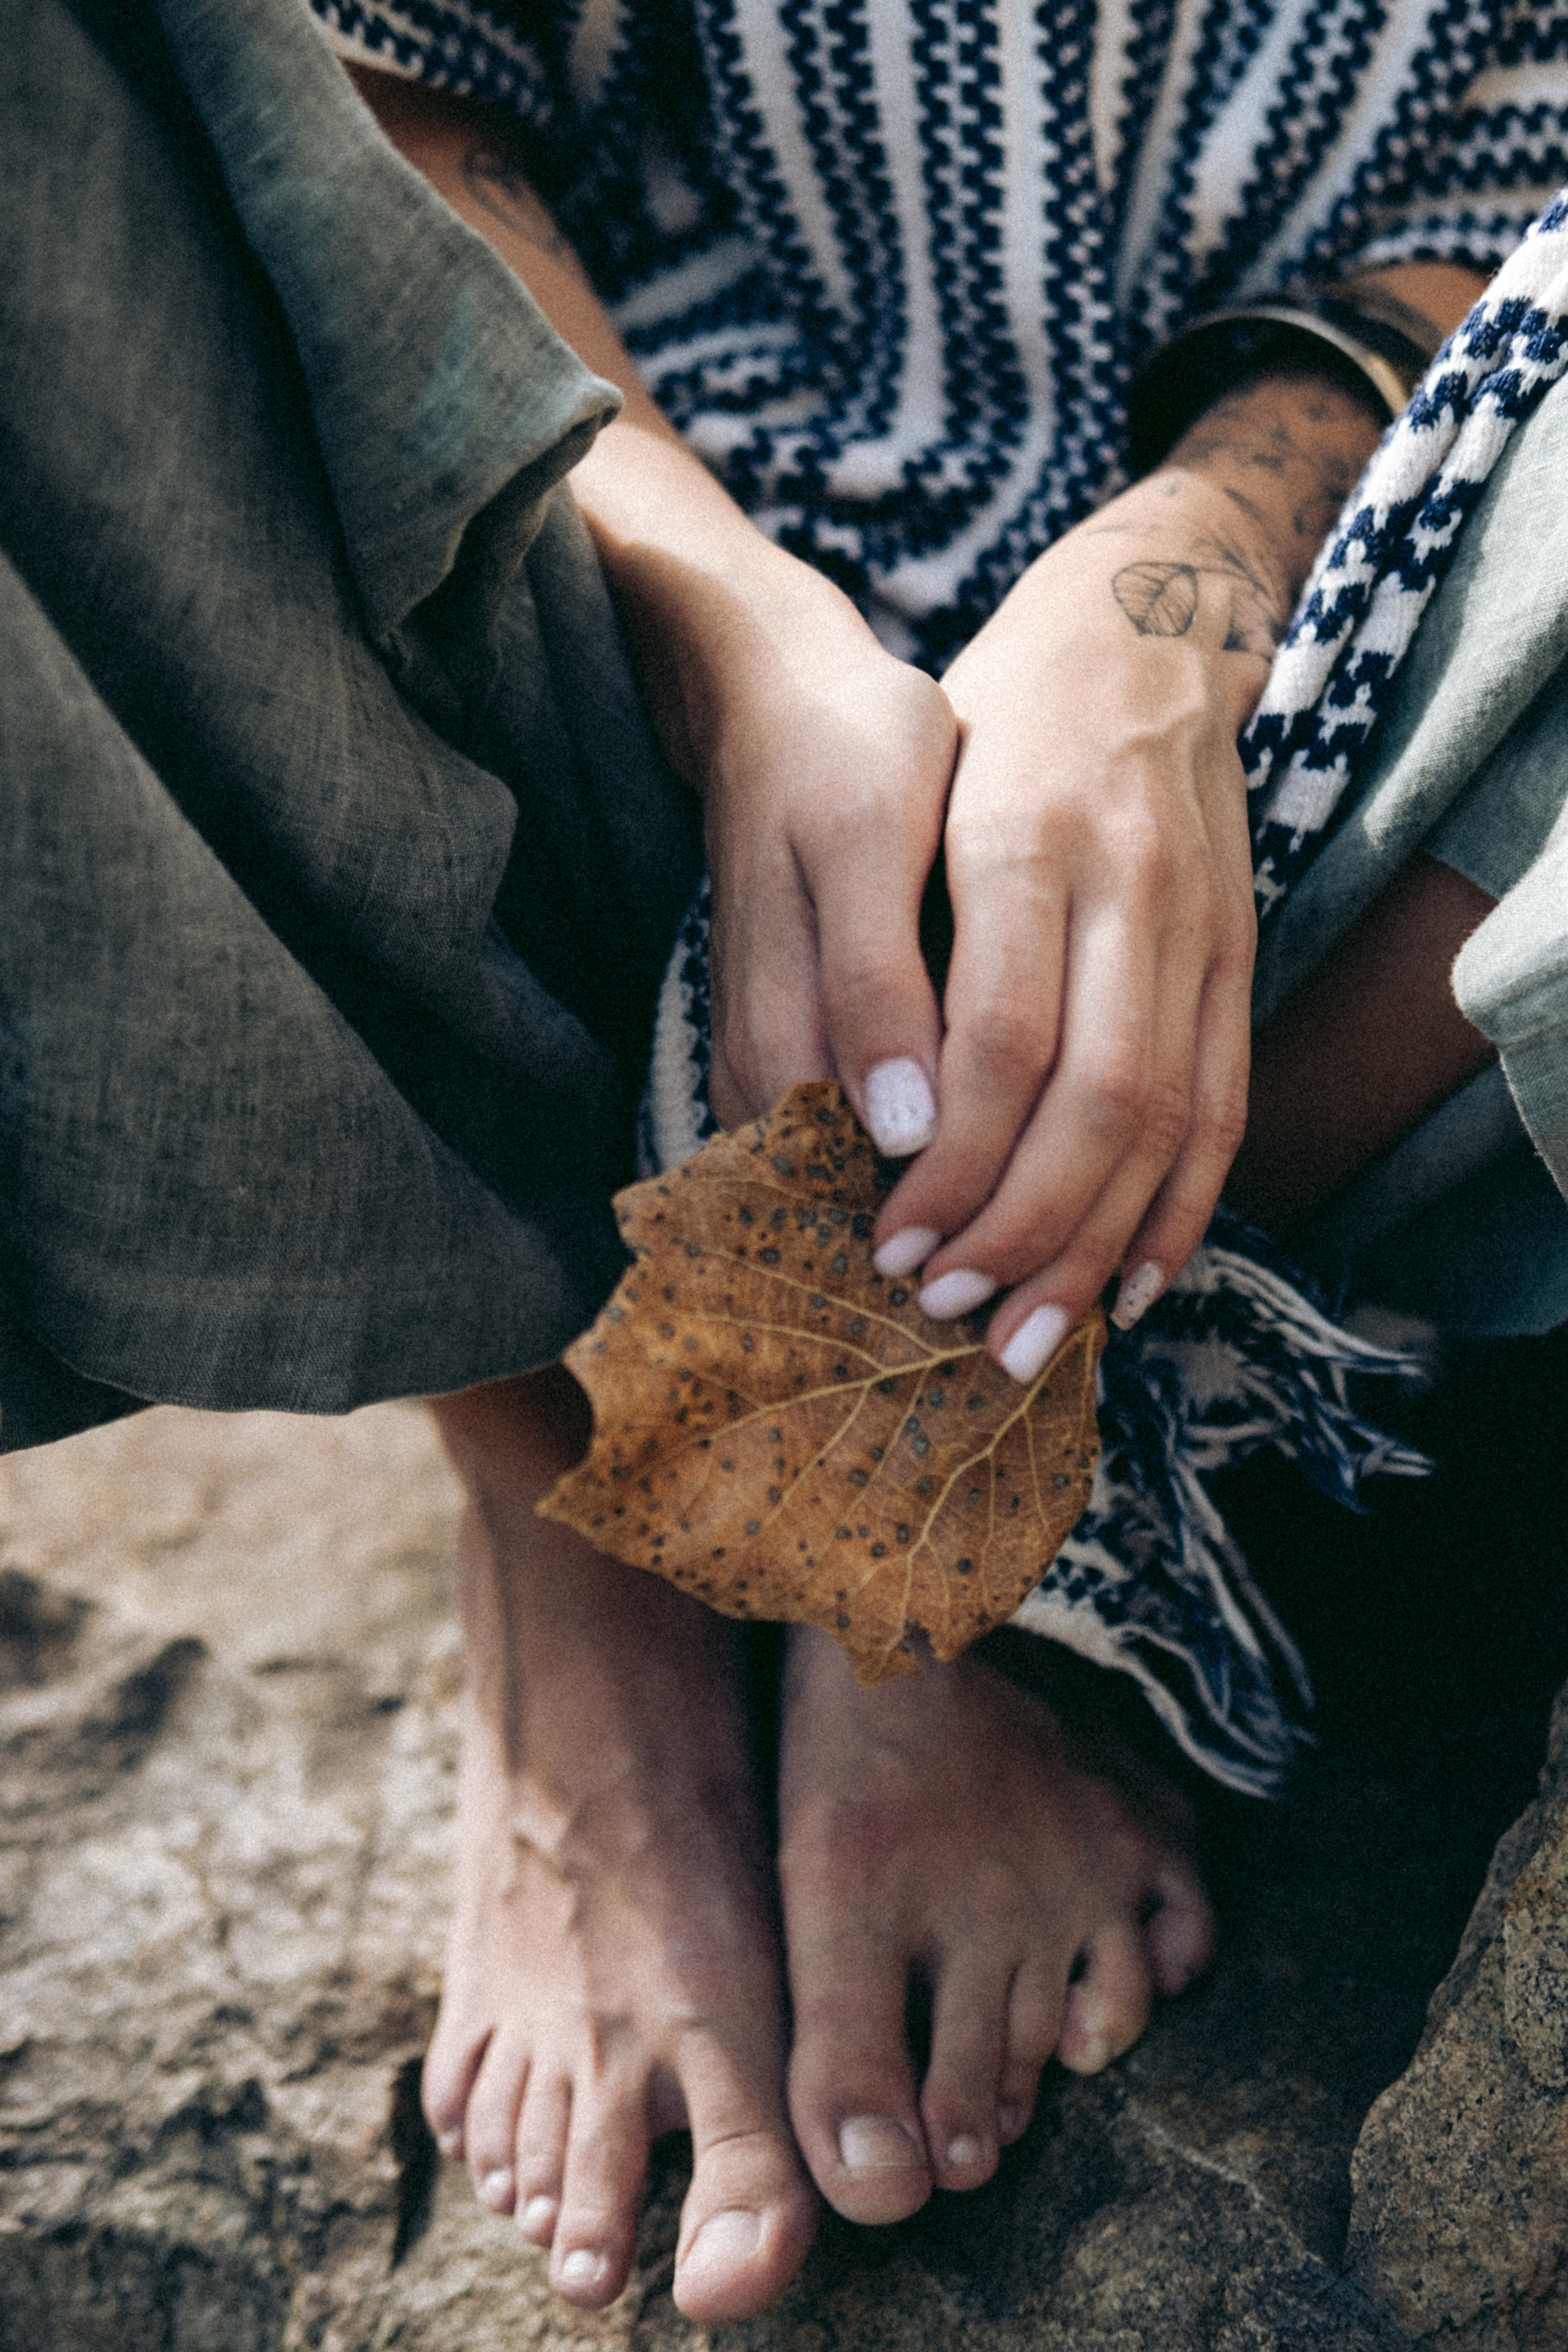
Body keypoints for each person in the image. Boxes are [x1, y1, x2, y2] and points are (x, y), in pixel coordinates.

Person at [4, 0, 1567, 2328]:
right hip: (546, 654)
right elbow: (340, 102)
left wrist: (1173, 591)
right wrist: (743, 650)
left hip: (1360, 775)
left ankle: (917, 1490)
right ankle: (568, 1508)